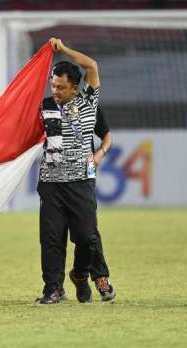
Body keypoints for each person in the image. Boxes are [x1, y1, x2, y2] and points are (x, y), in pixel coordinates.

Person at [35, 38, 101, 305]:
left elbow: (92, 66)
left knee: (87, 238)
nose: (56, 91)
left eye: (61, 87)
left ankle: (81, 274)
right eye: (53, 85)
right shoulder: (44, 106)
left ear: (76, 87)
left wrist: (63, 51)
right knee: (51, 240)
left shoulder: (88, 101)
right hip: (50, 183)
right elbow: (15, 116)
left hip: (81, 181)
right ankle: (53, 289)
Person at [54, 101, 116, 302]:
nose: (57, 89)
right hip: (55, 174)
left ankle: (99, 277)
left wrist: (99, 154)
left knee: (89, 227)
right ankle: (57, 285)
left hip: (85, 171)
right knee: (58, 230)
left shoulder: (90, 107)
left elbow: (107, 137)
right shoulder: (49, 107)